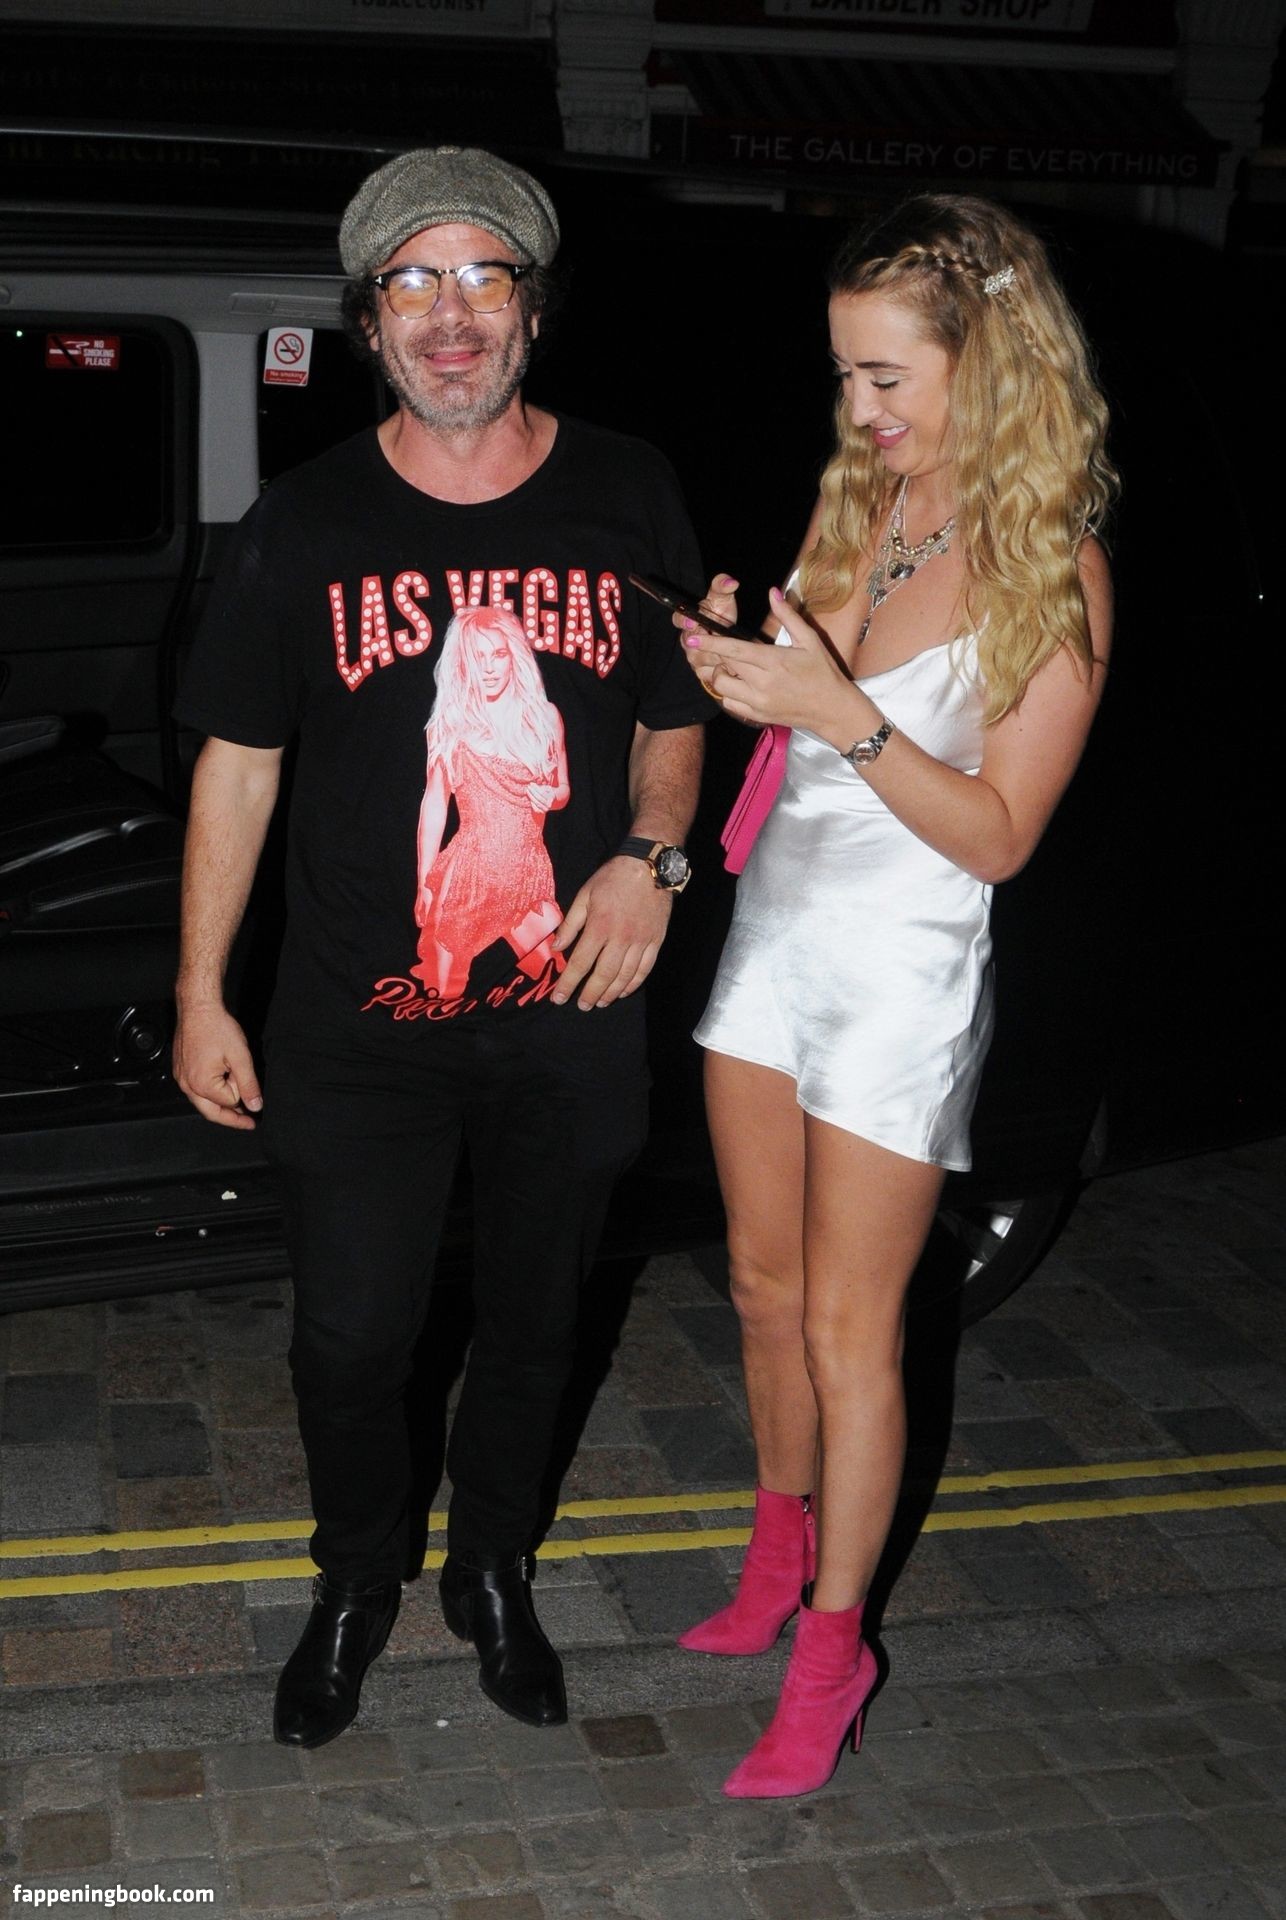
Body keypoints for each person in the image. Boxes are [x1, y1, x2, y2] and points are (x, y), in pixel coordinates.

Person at [172, 145, 707, 1749]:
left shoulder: (629, 487)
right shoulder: (303, 520)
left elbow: (676, 711)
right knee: (352, 1337)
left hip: (569, 1007)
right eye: (411, 282)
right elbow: (238, 765)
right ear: (369, 323)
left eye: (482, 276)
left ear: (533, 310)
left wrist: (649, 858)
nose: (449, 314)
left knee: (538, 1325)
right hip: (354, 1023)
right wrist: (199, 989)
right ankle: (355, 1580)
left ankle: (491, 1569)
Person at [676, 193, 1115, 1799]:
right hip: (771, 941)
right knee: (756, 1286)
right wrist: (744, 668)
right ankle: (774, 1557)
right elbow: (797, 721)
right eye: (844, 374)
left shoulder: (1051, 571)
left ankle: (833, 1651)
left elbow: (996, 836)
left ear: (987, 364)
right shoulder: (860, 501)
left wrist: (834, 709)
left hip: (895, 976)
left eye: (887, 377)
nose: (859, 409)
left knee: (852, 1330)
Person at [412, 604, 569, 1001]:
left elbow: (562, 790)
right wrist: (424, 881)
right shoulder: (449, 724)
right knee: (443, 994)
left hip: (525, 874)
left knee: (557, 981)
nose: (489, 667)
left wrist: (550, 796)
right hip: (467, 876)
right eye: (477, 656)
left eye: (498, 654)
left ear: (513, 655)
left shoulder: (544, 716)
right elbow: (434, 804)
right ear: (463, 662)